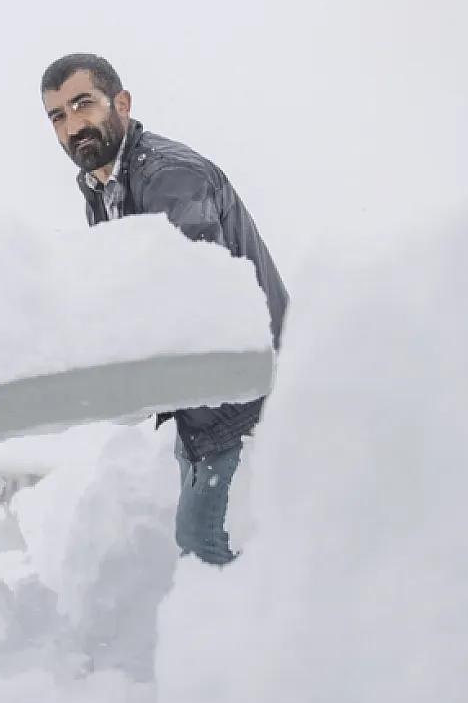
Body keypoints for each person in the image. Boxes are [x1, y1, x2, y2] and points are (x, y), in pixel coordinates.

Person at [40, 53, 289, 567]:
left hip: (248, 402)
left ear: (122, 103)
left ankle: (258, 642)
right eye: (58, 116)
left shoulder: (172, 179)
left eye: (82, 104)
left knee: (206, 544)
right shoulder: (101, 185)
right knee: (208, 542)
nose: (72, 125)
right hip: (198, 404)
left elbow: (200, 304)